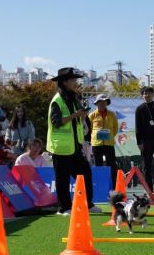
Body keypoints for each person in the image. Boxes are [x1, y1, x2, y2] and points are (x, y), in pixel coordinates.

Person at [47, 67, 100, 215]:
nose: (75, 82)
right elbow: (57, 122)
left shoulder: (74, 97)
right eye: (72, 80)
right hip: (61, 147)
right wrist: (76, 114)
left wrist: (82, 116)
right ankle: (64, 208)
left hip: (75, 145)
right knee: (62, 179)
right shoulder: (57, 100)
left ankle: (88, 204)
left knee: (85, 173)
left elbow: (78, 120)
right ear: (64, 82)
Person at [88, 94, 118, 180]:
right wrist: (94, 137)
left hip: (109, 144)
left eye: (104, 102)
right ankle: (99, 183)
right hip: (97, 144)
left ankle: (113, 185)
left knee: (112, 165)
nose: (102, 104)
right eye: (100, 102)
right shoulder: (92, 115)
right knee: (98, 165)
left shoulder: (112, 114)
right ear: (97, 103)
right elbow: (88, 129)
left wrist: (110, 136)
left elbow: (115, 128)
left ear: (107, 103)